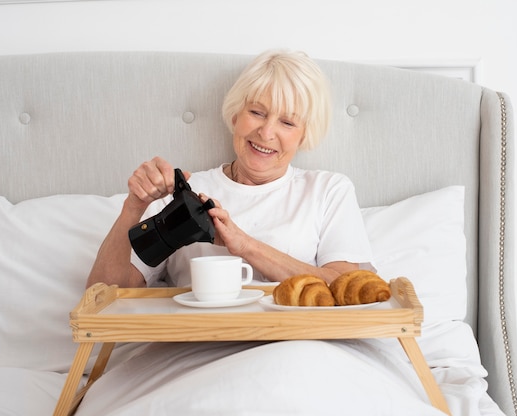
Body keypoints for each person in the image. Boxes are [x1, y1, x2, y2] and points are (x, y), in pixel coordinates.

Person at [87, 49, 373, 289]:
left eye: (287, 122)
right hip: (198, 348)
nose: (267, 132)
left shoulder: (327, 190)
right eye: (257, 113)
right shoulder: (181, 195)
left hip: (293, 346)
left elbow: (346, 289)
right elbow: (104, 297)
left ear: (304, 134)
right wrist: (133, 208)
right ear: (236, 115)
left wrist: (245, 245)